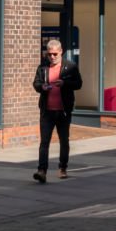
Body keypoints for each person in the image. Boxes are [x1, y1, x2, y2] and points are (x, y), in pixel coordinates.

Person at [32, 38, 82, 183]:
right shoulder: (43, 67)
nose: (52, 57)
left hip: (63, 111)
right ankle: (42, 171)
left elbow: (78, 84)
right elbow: (36, 83)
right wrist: (42, 87)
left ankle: (63, 168)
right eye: (49, 54)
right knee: (44, 142)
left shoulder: (70, 66)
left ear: (61, 52)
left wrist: (65, 83)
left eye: (55, 54)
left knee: (64, 140)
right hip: (47, 111)